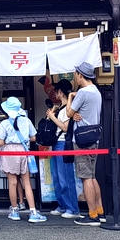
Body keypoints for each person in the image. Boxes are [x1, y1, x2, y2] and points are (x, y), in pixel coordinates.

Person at [0, 96, 46, 223]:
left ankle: (14, 211)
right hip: (24, 151)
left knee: (12, 183)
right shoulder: (26, 121)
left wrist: (7, 140)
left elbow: (0, 143)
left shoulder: (4, 123)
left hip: (10, 152)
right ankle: (33, 212)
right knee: (27, 183)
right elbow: (34, 138)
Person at [67, 62, 104, 226]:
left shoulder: (82, 93)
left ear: (80, 75)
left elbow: (69, 113)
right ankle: (100, 211)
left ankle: (92, 214)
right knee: (92, 176)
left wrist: (70, 97)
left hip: (81, 140)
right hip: (93, 138)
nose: (75, 76)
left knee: (85, 177)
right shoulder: (96, 92)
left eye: (76, 74)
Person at [45, 79, 80, 218]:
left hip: (63, 144)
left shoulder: (66, 109)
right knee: (57, 177)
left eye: (57, 91)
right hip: (57, 144)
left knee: (65, 178)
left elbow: (65, 127)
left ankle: (72, 208)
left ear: (61, 92)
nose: (55, 94)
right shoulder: (60, 108)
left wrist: (52, 116)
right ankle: (63, 205)